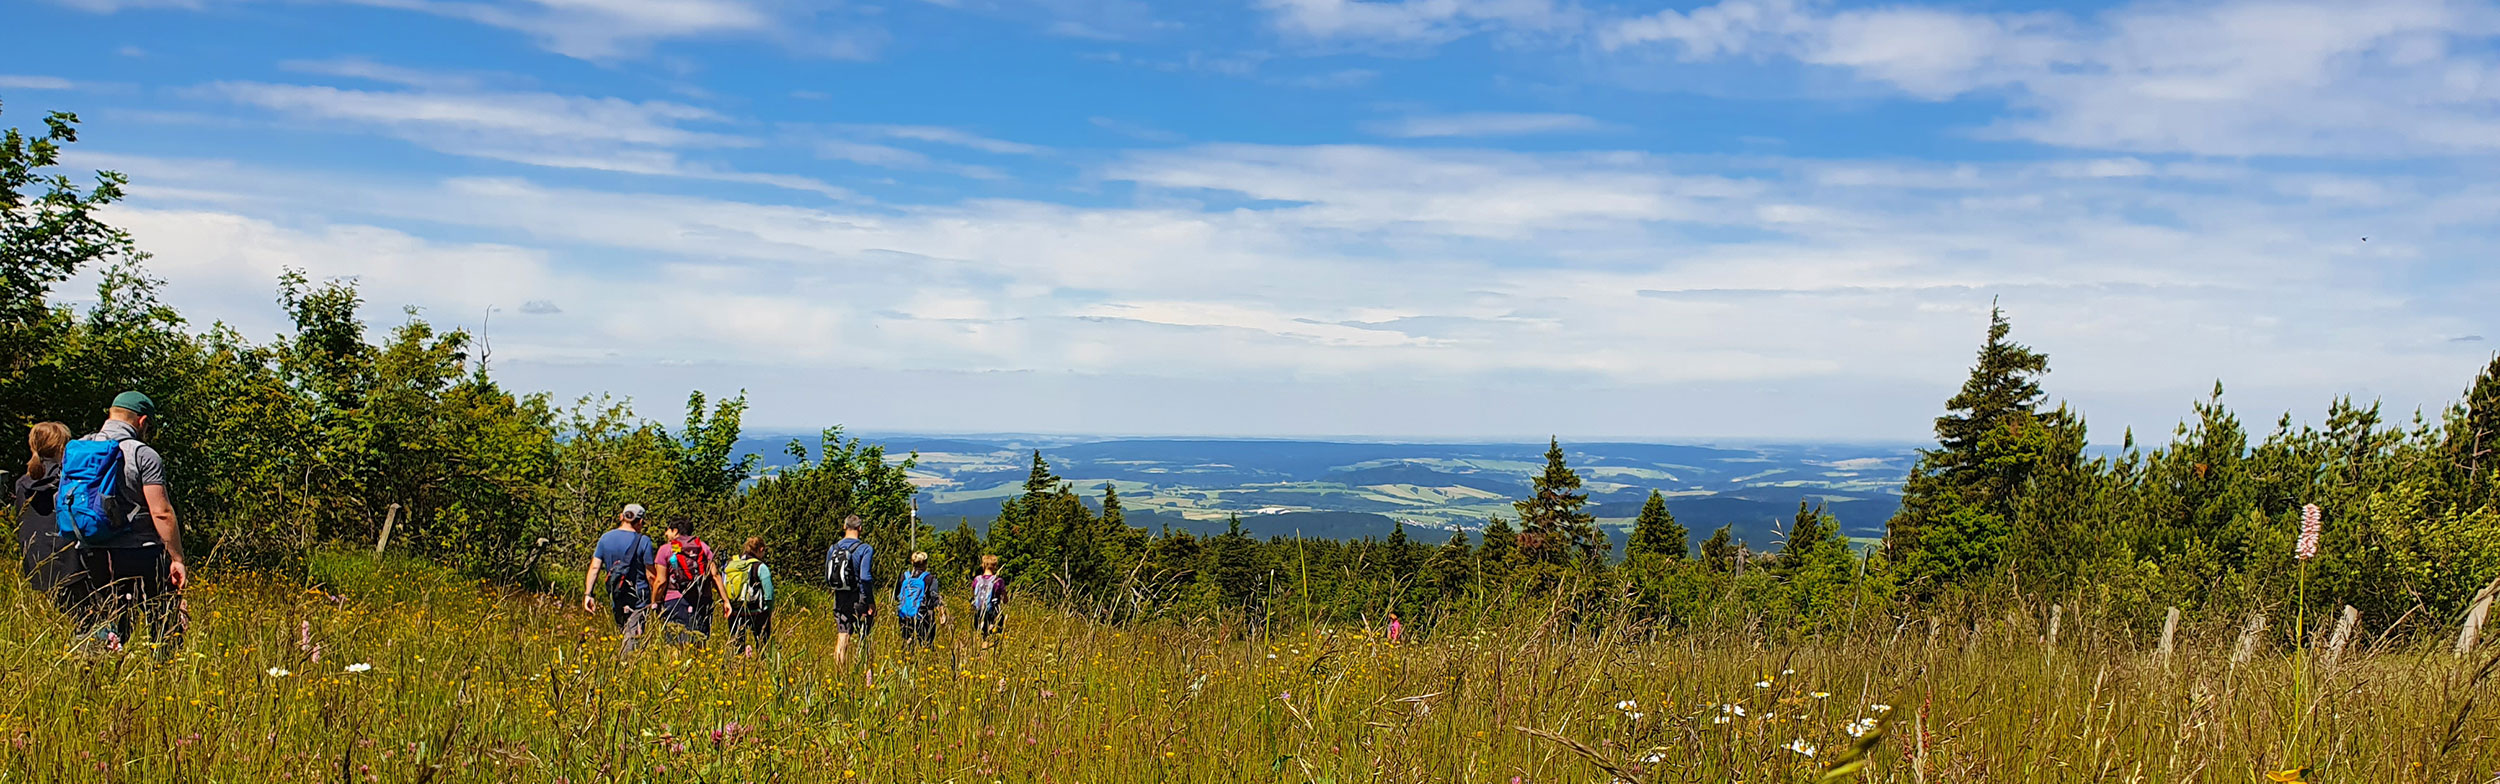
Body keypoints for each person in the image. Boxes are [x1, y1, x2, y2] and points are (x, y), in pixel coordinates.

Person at [63, 392, 188, 655]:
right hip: (141, 552)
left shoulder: (79, 448)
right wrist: (176, 557)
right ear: (142, 422)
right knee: (163, 621)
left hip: (92, 550)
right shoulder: (143, 454)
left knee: (106, 620)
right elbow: (161, 512)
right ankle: (164, 676)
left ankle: (92, 674)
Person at [583, 503, 664, 653]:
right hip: (639, 598)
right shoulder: (644, 541)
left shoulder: (605, 538)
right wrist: (657, 599)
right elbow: (650, 575)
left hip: (617, 594)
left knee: (623, 633)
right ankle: (625, 667)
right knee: (633, 638)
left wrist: (588, 594)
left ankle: (620, 667)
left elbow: (595, 567)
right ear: (640, 521)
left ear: (621, 517)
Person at [13, 422, 76, 610]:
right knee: (89, 625)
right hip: (71, 564)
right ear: (62, 446)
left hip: (37, 564)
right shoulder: (67, 480)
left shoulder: (22, 484)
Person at [656, 517, 728, 644]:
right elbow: (715, 575)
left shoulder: (665, 550)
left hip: (674, 601)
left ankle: (676, 663)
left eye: (667, 530)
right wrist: (726, 601)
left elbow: (660, 581)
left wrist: (654, 602)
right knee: (700, 641)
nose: (666, 534)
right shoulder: (703, 547)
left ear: (675, 531)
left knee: (675, 644)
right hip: (702, 599)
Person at [825, 515, 875, 675]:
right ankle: (860, 671)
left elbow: (827, 574)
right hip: (858, 598)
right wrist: (870, 601)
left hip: (840, 597)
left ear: (844, 526)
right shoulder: (865, 549)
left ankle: (839, 674)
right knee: (863, 636)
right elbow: (865, 577)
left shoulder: (833, 548)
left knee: (843, 635)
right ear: (860, 528)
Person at [722, 537, 775, 656]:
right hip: (757, 611)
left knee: (737, 645)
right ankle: (764, 667)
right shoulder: (760, 567)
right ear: (761, 549)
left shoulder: (731, 564)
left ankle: (736, 668)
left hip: (735, 611)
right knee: (763, 644)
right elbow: (769, 594)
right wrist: (768, 610)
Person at [895, 551, 938, 650]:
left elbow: (896, 596)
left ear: (912, 563)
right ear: (925, 563)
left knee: (907, 643)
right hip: (923, 616)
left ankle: (906, 661)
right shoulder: (930, 578)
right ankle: (926, 662)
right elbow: (934, 598)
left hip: (904, 615)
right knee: (926, 644)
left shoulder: (904, 577)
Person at [970, 554, 1006, 649]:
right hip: (993, 613)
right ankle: (987, 654)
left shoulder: (976, 580)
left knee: (983, 636)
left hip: (978, 613)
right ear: (995, 566)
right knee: (995, 636)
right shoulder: (998, 581)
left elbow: (973, 595)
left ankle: (981, 654)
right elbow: (1005, 600)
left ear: (983, 565)